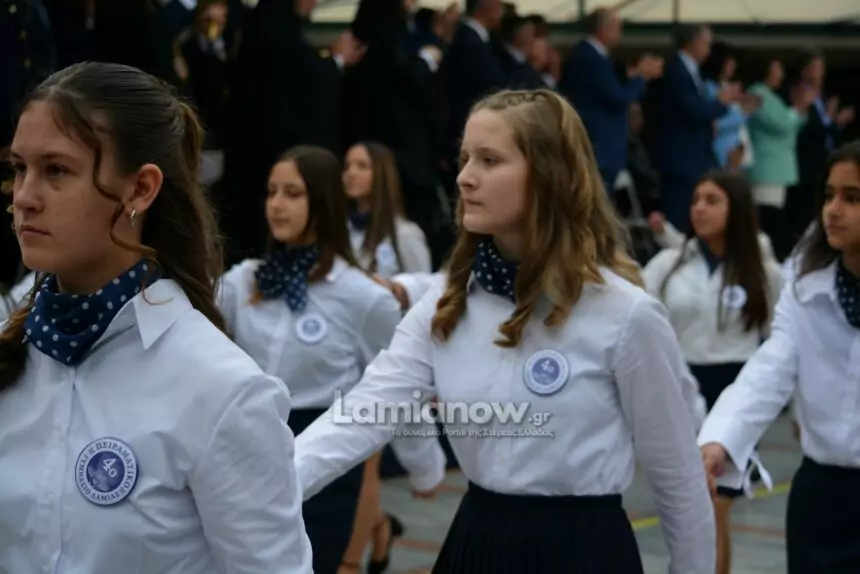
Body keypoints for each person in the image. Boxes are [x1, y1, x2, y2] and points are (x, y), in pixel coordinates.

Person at [293, 89, 716, 573]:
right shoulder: (448, 301)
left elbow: (677, 477)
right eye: (465, 158)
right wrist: (262, 485)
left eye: (490, 160)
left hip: (583, 552)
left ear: (548, 174)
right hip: (477, 542)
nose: (465, 177)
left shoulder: (625, 314)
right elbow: (365, 411)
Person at [0, 62, 312, 572]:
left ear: (141, 190)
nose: (25, 198)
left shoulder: (221, 388)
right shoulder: (13, 353)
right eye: (19, 168)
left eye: (56, 170)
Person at [217, 145, 445, 574]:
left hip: (324, 455)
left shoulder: (363, 296)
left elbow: (399, 386)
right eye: (271, 192)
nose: (276, 204)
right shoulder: (243, 281)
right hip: (246, 449)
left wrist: (424, 466)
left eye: (292, 193)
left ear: (322, 203)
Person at [700, 140, 860, 573]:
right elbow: (770, 370)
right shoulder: (805, 291)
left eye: (852, 198)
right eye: (829, 195)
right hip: (821, 497)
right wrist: (720, 439)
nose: (834, 210)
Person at [642, 171, 783, 574]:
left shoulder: (762, 269)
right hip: (683, 387)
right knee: (687, 507)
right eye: (695, 200)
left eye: (712, 200)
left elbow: (782, 338)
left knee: (716, 504)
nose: (699, 209)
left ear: (735, 209)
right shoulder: (668, 264)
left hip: (736, 390)